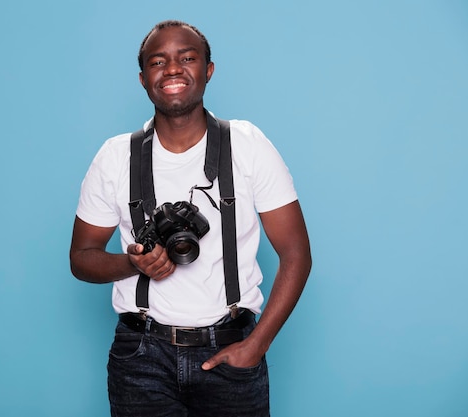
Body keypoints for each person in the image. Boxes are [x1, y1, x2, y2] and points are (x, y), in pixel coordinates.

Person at [70, 20, 311, 417]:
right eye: (158, 61)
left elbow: (297, 254)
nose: (173, 69)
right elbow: (81, 257)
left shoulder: (247, 145)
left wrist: (258, 344)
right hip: (141, 356)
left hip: (232, 346)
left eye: (187, 58)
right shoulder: (116, 156)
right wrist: (132, 263)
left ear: (208, 70)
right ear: (144, 78)